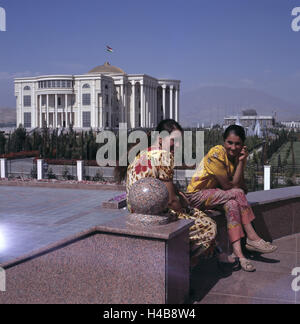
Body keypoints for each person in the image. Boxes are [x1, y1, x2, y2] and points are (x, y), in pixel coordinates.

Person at [124, 119, 217, 267]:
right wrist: (186, 210)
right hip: (156, 214)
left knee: (195, 214)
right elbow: (172, 201)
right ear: (160, 139)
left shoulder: (143, 152)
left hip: (135, 211)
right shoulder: (164, 156)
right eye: (174, 140)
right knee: (209, 227)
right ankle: (184, 265)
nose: (178, 145)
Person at [185, 125, 277, 272]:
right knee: (236, 194)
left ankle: (240, 256)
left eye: (237, 143)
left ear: (243, 145)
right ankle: (252, 237)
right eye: (229, 142)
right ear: (224, 142)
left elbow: (241, 187)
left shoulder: (238, 157)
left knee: (233, 204)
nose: (233, 147)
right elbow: (230, 187)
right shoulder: (216, 154)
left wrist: (241, 162)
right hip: (196, 197)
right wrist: (237, 186)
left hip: (215, 197)